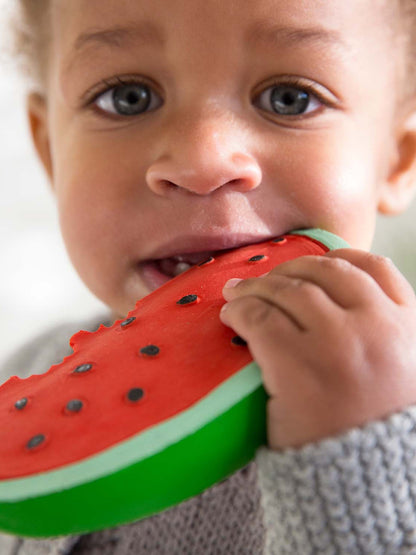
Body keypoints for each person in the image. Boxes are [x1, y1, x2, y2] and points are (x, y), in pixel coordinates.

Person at [1, 0, 416, 553]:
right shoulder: (31, 372)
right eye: (128, 98)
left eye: (289, 99)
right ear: (51, 152)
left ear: (397, 159)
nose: (202, 162)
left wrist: (356, 466)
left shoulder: (399, 427)